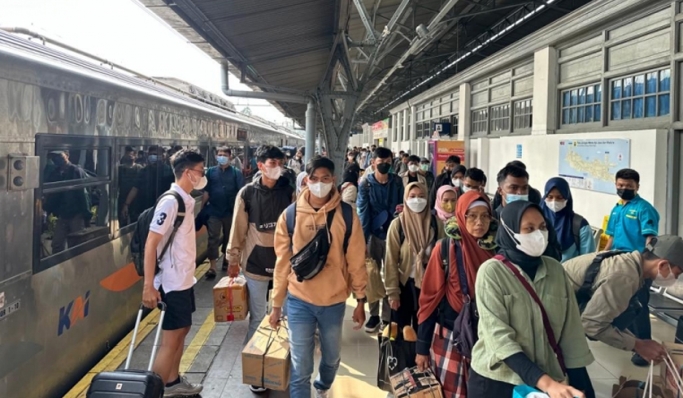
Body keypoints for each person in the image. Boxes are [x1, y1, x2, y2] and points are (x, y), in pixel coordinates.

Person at [469, 201, 594, 398]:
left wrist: (581, 385)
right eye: (529, 228)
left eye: (542, 227)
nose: (538, 234)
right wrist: (547, 384)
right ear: (509, 231)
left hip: (548, 380)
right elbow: (500, 339)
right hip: (499, 381)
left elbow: (572, 335)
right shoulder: (491, 272)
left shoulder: (555, 270)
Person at [270, 156, 367, 398]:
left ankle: (323, 385)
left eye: (325, 179)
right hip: (298, 300)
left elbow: (356, 261)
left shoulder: (347, 215)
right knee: (300, 366)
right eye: (314, 178)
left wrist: (362, 300)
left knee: (332, 358)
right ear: (306, 181)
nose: (319, 183)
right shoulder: (290, 216)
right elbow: (282, 264)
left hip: (333, 301)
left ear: (333, 180)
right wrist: (276, 305)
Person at [227, 145, 295, 393]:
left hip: (284, 265)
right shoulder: (246, 193)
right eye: (272, 162)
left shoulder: (290, 192)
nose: (277, 166)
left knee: (286, 319)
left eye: (280, 162)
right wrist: (233, 259)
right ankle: (257, 372)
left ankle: (282, 364)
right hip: (254, 264)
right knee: (257, 318)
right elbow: (238, 228)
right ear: (260, 165)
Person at [416, 191, 497, 397]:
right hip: (451, 336)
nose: (479, 222)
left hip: (490, 338)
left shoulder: (497, 250)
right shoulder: (446, 249)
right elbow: (429, 300)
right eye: (472, 216)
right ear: (461, 216)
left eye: (485, 215)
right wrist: (422, 348)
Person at [141, 150, 205, 397]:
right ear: (188, 173)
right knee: (170, 341)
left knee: (183, 329)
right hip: (171, 281)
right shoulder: (171, 202)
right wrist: (149, 285)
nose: (202, 175)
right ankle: (153, 392)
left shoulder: (185, 199)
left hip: (184, 279)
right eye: (200, 171)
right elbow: (150, 244)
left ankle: (172, 381)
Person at [563, 235, 683, 365]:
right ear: (663, 264)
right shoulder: (625, 276)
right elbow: (591, 324)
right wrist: (638, 345)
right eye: (677, 273)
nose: (675, 278)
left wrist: (637, 341)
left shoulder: (628, 261)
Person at [602, 168, 660, 366]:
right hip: (617, 263)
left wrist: (643, 264)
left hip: (637, 265)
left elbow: (651, 238)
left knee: (639, 306)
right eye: (620, 185)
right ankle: (629, 342)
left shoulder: (644, 209)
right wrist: (600, 256)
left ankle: (645, 349)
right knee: (620, 303)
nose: (623, 189)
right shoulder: (617, 208)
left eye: (628, 186)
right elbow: (610, 237)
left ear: (637, 187)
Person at [357, 146, 405, 332]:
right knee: (372, 274)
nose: (384, 166)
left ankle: (387, 316)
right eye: (380, 163)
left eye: (388, 163)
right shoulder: (366, 184)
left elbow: (402, 206)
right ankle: (374, 315)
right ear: (372, 163)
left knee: (391, 273)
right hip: (373, 234)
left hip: (393, 234)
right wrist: (363, 240)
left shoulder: (397, 182)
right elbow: (362, 211)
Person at [385, 182, 442, 329]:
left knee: (424, 331)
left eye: (421, 196)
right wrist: (392, 293)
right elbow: (390, 260)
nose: (417, 200)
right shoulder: (398, 225)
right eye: (412, 196)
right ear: (405, 199)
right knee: (402, 334)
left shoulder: (436, 225)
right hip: (404, 287)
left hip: (430, 289)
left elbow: (443, 259)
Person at [493, 164, 562, 261]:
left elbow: (557, 254)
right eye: (514, 188)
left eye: (524, 188)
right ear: (500, 190)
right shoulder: (492, 219)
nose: (520, 193)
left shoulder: (540, 221)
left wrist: (538, 246)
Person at [201, 147, 245, 279]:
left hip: (230, 211)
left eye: (224, 155)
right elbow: (206, 192)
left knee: (229, 237)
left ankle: (226, 261)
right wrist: (202, 208)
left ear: (230, 157)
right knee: (213, 237)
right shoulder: (210, 172)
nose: (221, 157)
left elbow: (241, 193)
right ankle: (212, 267)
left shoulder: (236, 173)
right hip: (214, 210)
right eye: (219, 155)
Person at [44, 150, 91, 253]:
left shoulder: (76, 171)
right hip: (62, 214)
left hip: (76, 213)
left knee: (75, 244)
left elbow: (83, 194)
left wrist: (86, 214)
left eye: (60, 156)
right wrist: (46, 210)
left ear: (67, 155)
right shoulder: (54, 173)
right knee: (57, 244)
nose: (57, 159)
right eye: (54, 157)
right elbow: (50, 193)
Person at [540, 177, 595, 262]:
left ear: (567, 198)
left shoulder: (580, 225)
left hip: (570, 274)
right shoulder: (536, 222)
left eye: (560, 197)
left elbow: (588, 262)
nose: (554, 201)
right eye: (550, 197)